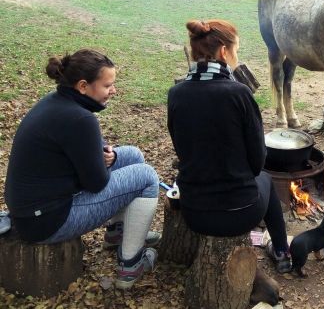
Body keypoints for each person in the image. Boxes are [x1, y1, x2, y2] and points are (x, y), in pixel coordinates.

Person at [4, 49, 160, 290]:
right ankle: (131, 265)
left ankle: (118, 233)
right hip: (46, 221)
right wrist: (99, 163)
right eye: (108, 85)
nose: (114, 90)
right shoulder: (80, 119)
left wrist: (107, 158)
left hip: (33, 210)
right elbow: (96, 183)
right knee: (147, 176)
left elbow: (84, 154)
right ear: (84, 86)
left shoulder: (57, 102)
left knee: (133, 156)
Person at [167, 19, 291, 273]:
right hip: (239, 213)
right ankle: (281, 252)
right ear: (224, 52)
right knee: (266, 179)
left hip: (194, 212)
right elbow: (257, 163)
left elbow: (182, 151)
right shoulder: (239, 93)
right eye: (236, 50)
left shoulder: (176, 93)